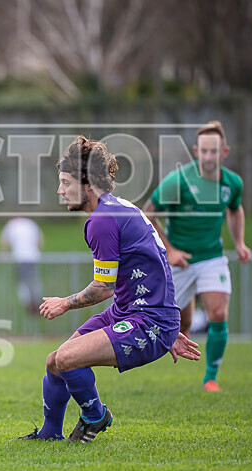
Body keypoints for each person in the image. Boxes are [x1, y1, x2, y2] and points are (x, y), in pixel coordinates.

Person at [16, 136, 200, 442]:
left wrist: (64, 302)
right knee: (55, 361)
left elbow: (103, 288)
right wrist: (167, 318)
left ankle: (96, 417)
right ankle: (49, 435)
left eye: (65, 182)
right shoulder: (121, 207)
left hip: (147, 319)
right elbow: (156, 263)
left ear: (86, 182)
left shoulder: (102, 220)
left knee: (67, 359)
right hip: (139, 313)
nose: (60, 190)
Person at [144, 120, 250, 392]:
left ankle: (211, 378)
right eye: (203, 151)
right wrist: (170, 251)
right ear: (195, 151)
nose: (208, 157)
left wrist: (239, 243)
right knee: (181, 322)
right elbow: (148, 214)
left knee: (217, 312)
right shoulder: (178, 181)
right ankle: (186, 312)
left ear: (224, 152)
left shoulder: (232, 183)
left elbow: (235, 209)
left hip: (212, 257)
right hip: (180, 260)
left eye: (214, 151)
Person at [0, 217, 43, 315]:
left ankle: (29, 303)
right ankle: (35, 301)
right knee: (33, 280)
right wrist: (39, 252)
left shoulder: (11, 225)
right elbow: (40, 239)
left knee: (23, 282)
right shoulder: (31, 223)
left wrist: (4, 255)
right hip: (33, 257)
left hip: (20, 258)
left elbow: (4, 241)